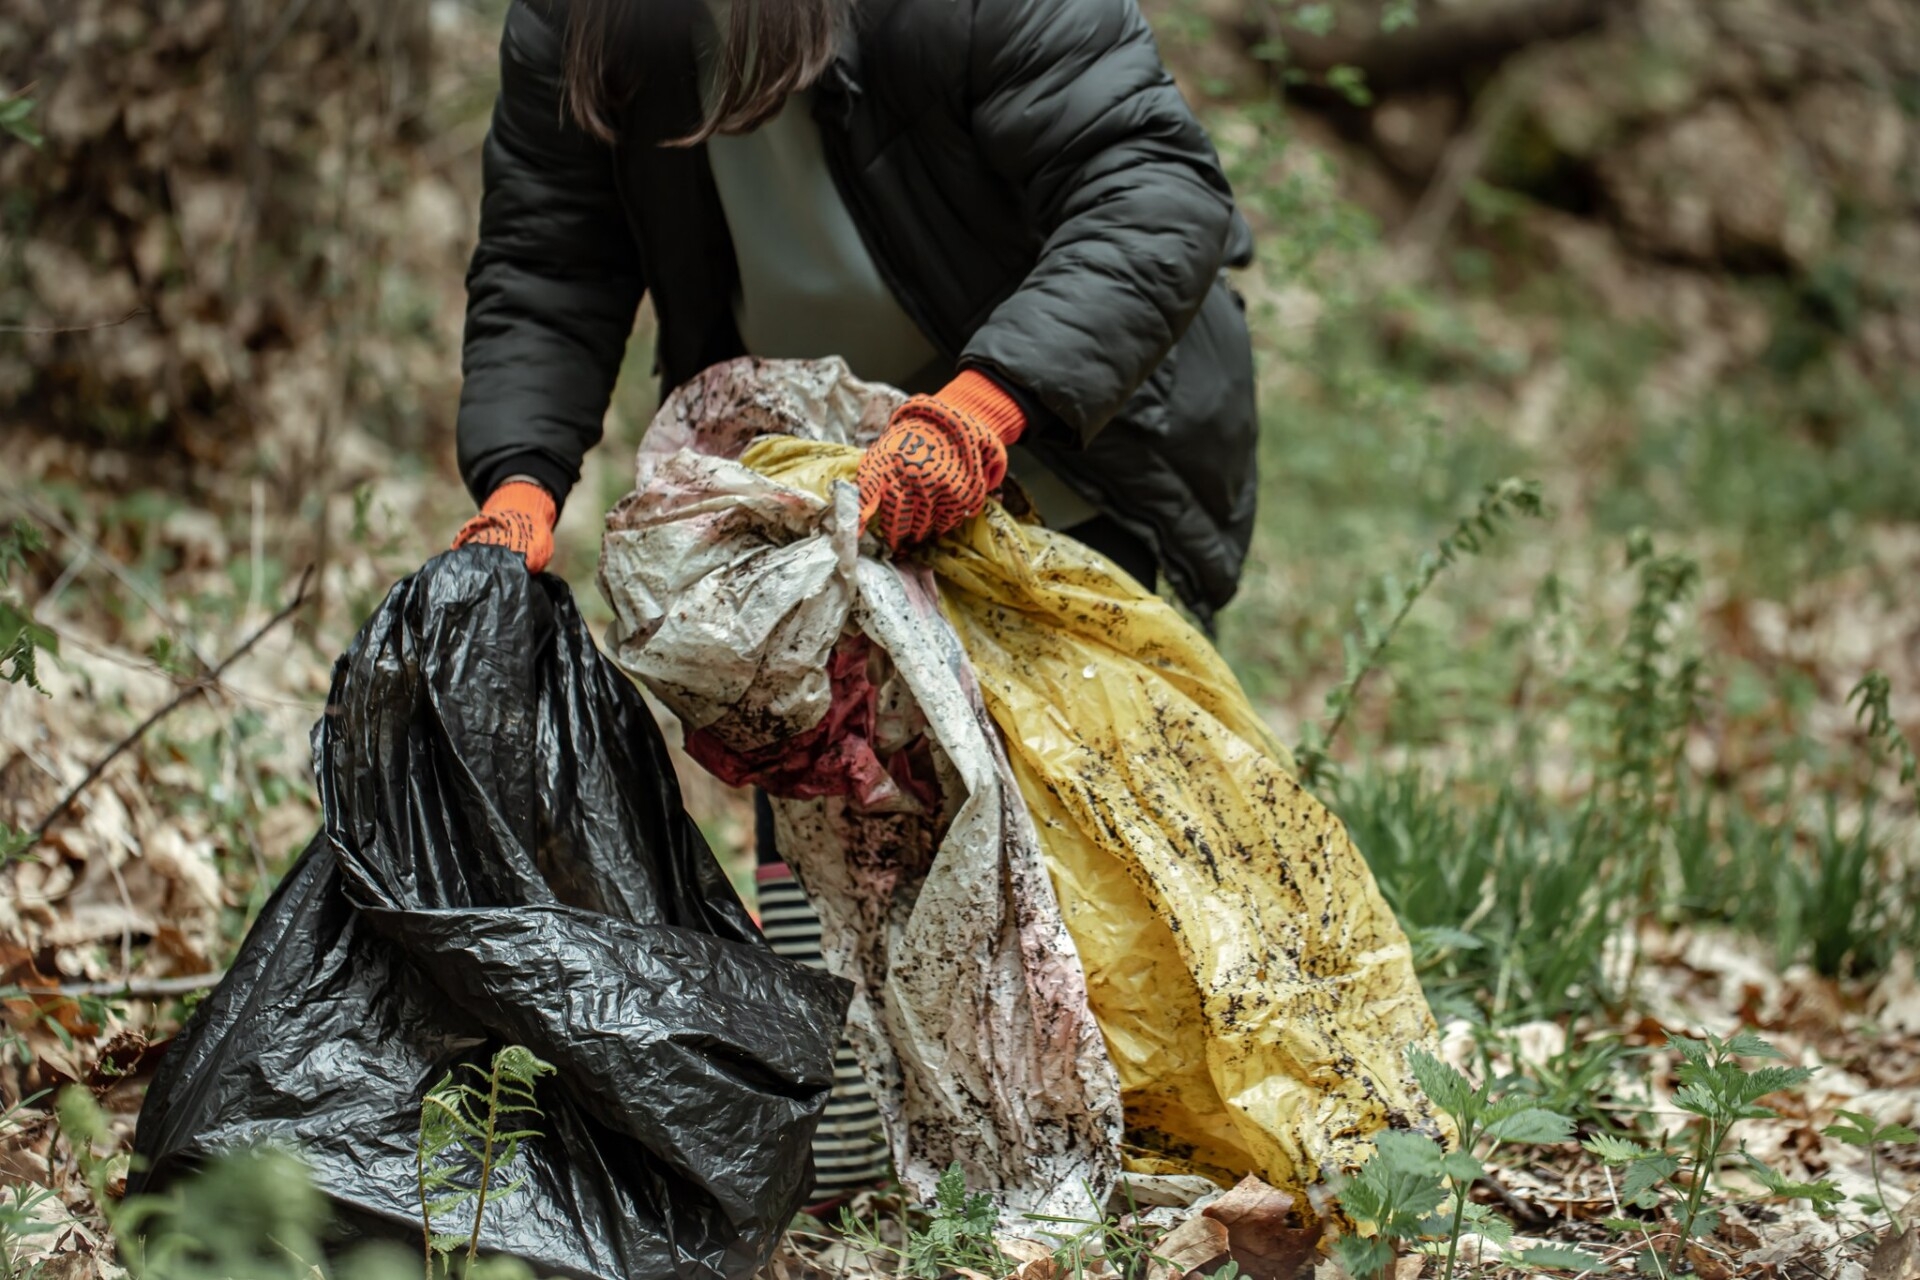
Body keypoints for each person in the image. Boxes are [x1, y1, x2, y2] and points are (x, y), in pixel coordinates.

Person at [449, 0, 1259, 1206]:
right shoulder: (585, 19)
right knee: (827, 782)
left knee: (1077, 864)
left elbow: (1154, 192)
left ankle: (1103, 1156)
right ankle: (861, 1143)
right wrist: (520, 480)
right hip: (815, 471)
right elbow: (551, 257)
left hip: (1069, 448)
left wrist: (983, 410)